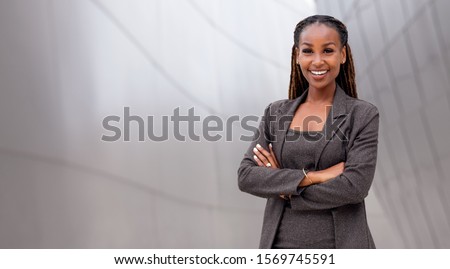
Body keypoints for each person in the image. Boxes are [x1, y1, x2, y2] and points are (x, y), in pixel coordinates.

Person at [237, 15, 380, 249]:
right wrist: (313, 176)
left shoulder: (362, 115)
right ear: (297, 56)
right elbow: (246, 176)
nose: (317, 61)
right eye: (308, 51)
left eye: (327, 51)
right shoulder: (275, 113)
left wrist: (285, 188)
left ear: (342, 55)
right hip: (279, 248)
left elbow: (354, 187)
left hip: (340, 247)